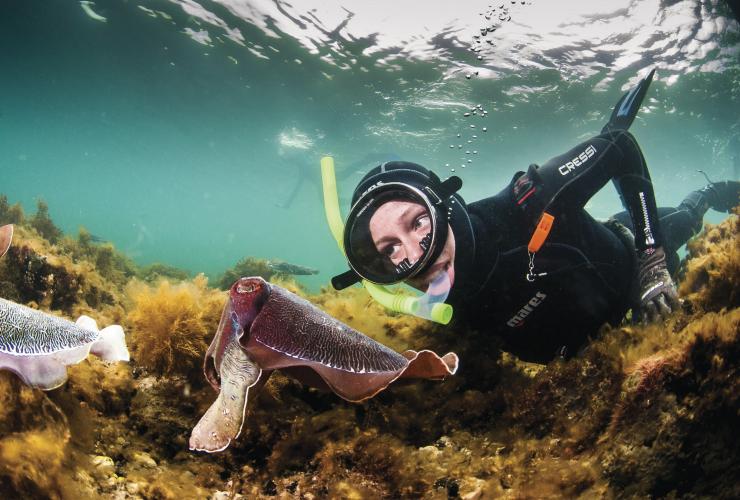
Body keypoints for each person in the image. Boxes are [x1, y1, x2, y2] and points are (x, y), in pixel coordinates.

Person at [330, 70, 740, 363]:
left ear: (443, 205)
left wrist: (651, 263)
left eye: (418, 222)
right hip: (593, 339)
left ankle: (706, 195)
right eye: (389, 250)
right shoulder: (440, 303)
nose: (416, 256)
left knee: (686, 220)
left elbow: (619, 146)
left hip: (628, 254)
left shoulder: (529, 202)